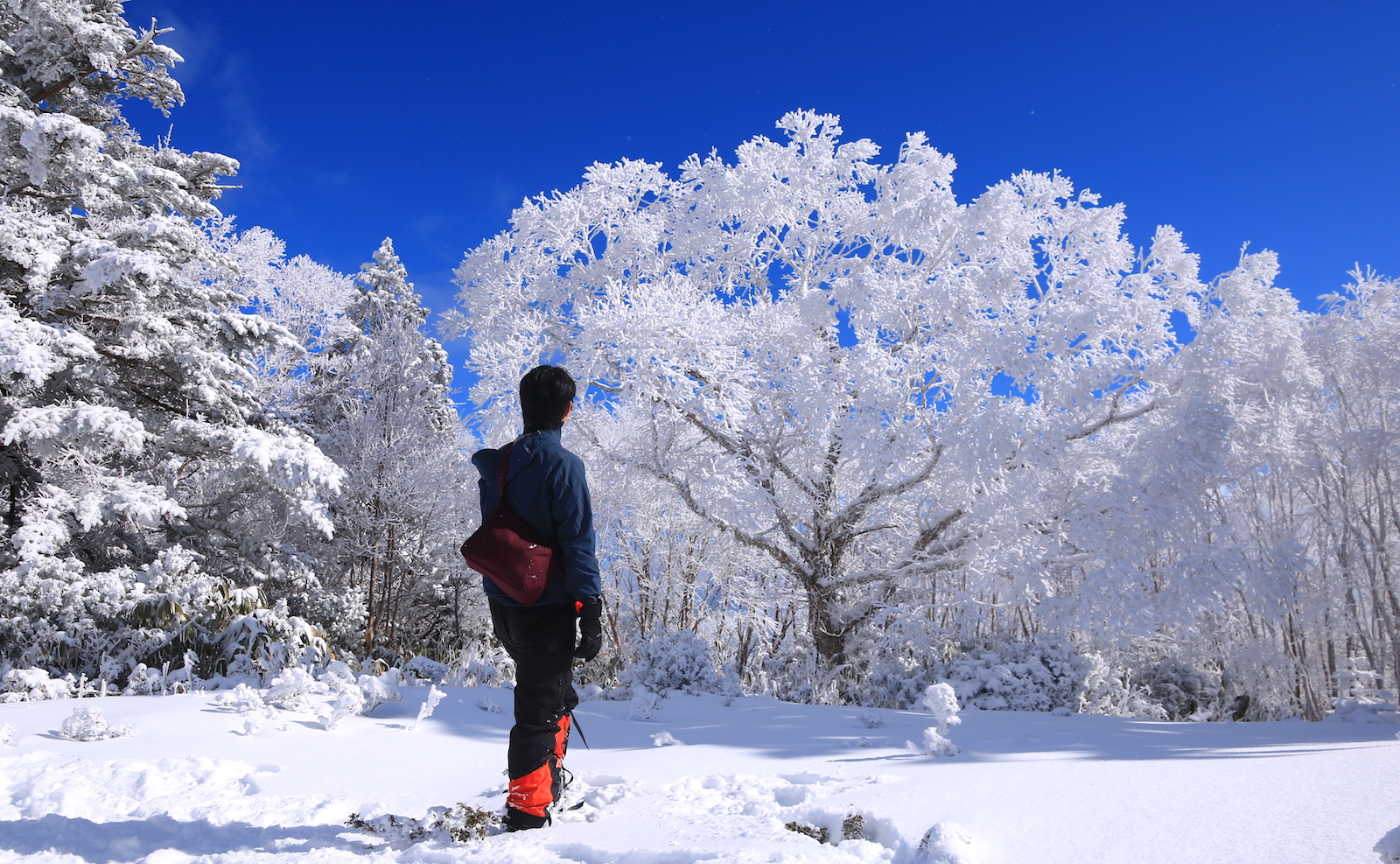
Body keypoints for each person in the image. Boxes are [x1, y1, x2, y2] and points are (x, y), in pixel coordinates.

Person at [470, 365, 603, 832]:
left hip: (503, 601)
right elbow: (578, 542)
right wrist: (591, 609)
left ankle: (548, 783)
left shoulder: (500, 465)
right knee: (537, 709)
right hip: (546, 607)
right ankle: (528, 813)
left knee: (554, 693)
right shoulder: (562, 465)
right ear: (568, 410)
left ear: (523, 405)